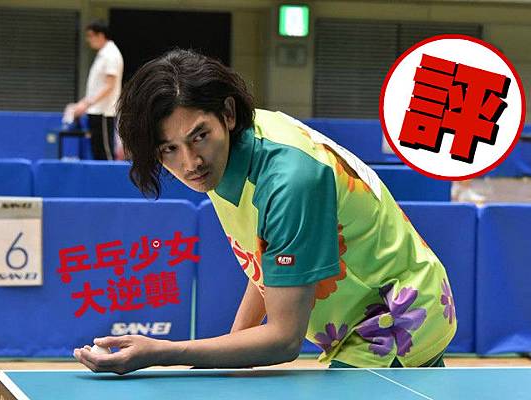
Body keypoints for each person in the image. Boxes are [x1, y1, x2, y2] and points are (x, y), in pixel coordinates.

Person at [73, 49, 457, 374]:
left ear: (227, 113)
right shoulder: (225, 156)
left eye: (198, 136)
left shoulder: (289, 181)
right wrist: (227, 359)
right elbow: (267, 265)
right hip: (358, 320)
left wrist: (163, 353)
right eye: (168, 149)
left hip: (395, 316)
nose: (189, 162)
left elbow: (284, 339)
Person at [72, 20, 124, 160]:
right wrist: (82, 103)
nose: (88, 40)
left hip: (104, 112)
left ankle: (110, 175)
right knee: (97, 152)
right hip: (95, 111)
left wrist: (87, 104)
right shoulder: (102, 55)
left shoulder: (111, 54)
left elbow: (109, 85)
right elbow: (96, 88)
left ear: (100, 35)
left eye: (90, 36)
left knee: (105, 153)